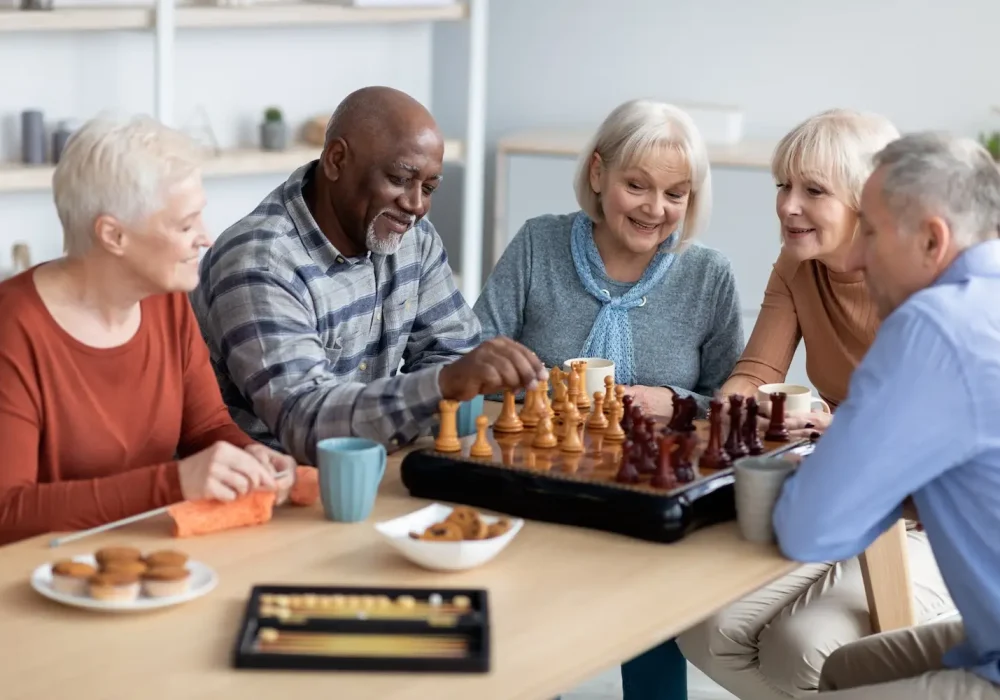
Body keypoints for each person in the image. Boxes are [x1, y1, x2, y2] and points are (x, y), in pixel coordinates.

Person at [676, 110, 955, 699]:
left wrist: (838, 428)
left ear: (867, 201)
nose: (787, 205)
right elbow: (755, 372)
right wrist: (735, 410)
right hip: (843, 493)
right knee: (705, 628)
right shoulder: (797, 264)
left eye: (813, 191)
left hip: (929, 513)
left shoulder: (922, 282)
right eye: (783, 185)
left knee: (807, 649)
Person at [191, 86, 546, 466]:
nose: (416, 206)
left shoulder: (413, 240)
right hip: (272, 492)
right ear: (336, 159)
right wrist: (441, 385)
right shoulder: (259, 263)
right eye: (398, 178)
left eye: (428, 188)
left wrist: (463, 377)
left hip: (374, 469)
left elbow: (454, 355)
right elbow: (305, 424)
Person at [776, 131, 1000, 699]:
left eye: (871, 233)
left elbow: (812, 528)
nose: (857, 256)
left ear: (932, 239)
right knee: (840, 672)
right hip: (988, 634)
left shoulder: (935, 325)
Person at [0, 115, 295, 546]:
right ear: (113, 235)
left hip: (145, 555)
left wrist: (248, 458)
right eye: (185, 225)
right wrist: (173, 483)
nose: (206, 238)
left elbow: (206, 428)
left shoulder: (165, 297)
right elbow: (8, 511)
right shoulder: (14, 328)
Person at [474, 98, 744, 419]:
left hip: (658, 463)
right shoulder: (538, 243)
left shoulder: (710, 275)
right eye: (636, 186)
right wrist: (566, 390)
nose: (655, 209)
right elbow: (471, 363)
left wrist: (674, 402)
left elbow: (730, 407)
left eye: (674, 194)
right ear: (597, 173)